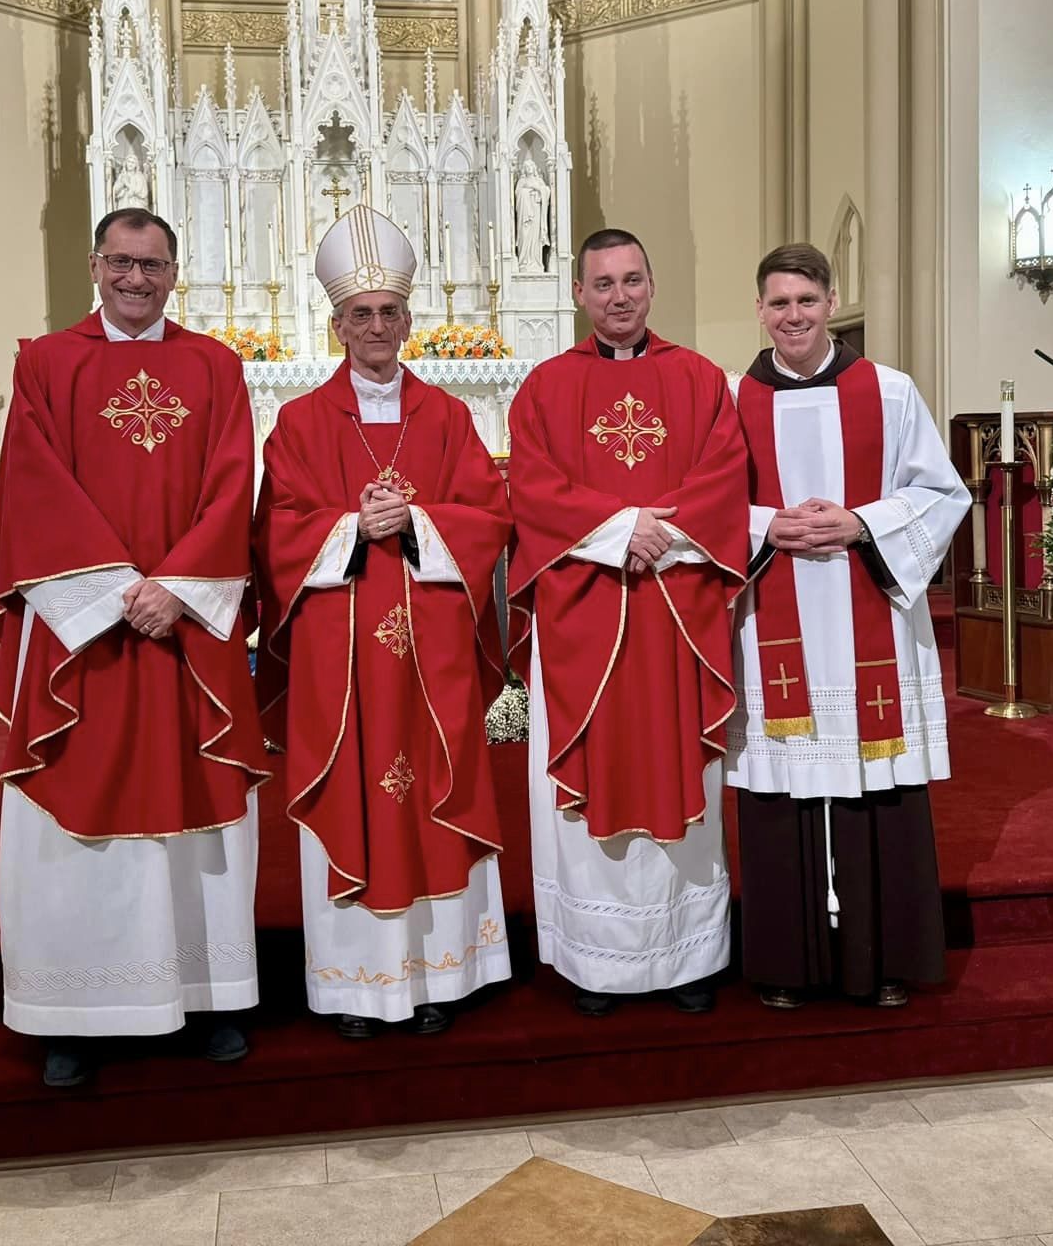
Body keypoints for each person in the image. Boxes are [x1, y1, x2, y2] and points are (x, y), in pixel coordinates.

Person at [0, 208, 270, 1088]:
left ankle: (208, 995)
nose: (135, 280)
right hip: (86, 638)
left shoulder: (215, 366)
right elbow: (33, 487)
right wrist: (113, 595)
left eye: (152, 266)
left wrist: (175, 588)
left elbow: (232, 485)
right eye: (120, 263)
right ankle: (73, 1011)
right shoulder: (47, 362)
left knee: (199, 799)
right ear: (94, 264)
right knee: (78, 804)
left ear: (176, 271)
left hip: (183, 626)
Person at [255, 211, 513, 1039]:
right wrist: (348, 528)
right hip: (344, 662)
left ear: (409, 322)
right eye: (359, 314)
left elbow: (489, 514)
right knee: (356, 792)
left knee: (429, 790)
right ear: (335, 324)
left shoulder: (445, 417)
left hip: (430, 656)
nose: (375, 328)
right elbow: (277, 531)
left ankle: (441, 975)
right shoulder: (298, 423)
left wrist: (416, 523)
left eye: (389, 313)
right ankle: (356, 984)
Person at [506, 228, 749, 1016]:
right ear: (580, 294)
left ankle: (688, 959)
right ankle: (595, 962)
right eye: (603, 283)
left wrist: (656, 536)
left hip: (676, 610)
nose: (619, 296)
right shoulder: (544, 388)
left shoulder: (701, 378)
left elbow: (722, 477)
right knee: (594, 775)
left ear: (652, 285)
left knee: (681, 771)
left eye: (632, 280)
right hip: (586, 613)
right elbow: (532, 491)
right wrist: (621, 530)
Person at [726, 244, 970, 1010]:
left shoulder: (889, 392)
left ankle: (884, 959)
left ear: (832, 301)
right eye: (777, 303)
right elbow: (705, 505)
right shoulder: (731, 399)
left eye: (805, 300)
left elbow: (941, 491)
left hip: (870, 611)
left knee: (877, 779)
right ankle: (784, 966)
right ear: (759, 311)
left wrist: (860, 521)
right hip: (773, 614)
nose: (792, 316)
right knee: (779, 783)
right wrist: (771, 526)